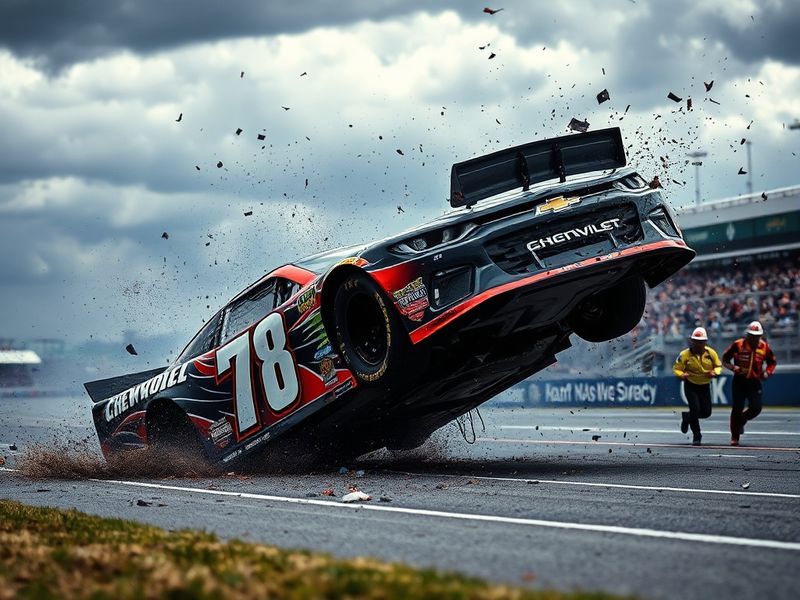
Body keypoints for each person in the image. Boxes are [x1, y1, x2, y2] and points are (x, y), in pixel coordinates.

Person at [722, 321, 777, 446]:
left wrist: (768, 372)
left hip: (755, 381)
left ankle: (741, 421)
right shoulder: (738, 344)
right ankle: (735, 437)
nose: (754, 338)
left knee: (756, 408)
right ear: (747, 334)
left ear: (760, 336)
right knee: (737, 408)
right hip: (739, 381)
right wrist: (733, 367)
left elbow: (772, 362)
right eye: (751, 335)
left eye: (757, 336)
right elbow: (725, 359)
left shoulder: (764, 347)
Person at [673, 327, 722, 445]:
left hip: (704, 386)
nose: (698, 344)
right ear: (692, 341)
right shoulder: (684, 354)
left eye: (701, 342)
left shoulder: (711, 353)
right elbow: (676, 369)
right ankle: (697, 435)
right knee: (695, 409)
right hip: (691, 385)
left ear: (705, 342)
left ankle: (687, 417)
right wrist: (681, 375)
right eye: (696, 341)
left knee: (706, 412)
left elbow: (718, 366)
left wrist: (715, 372)